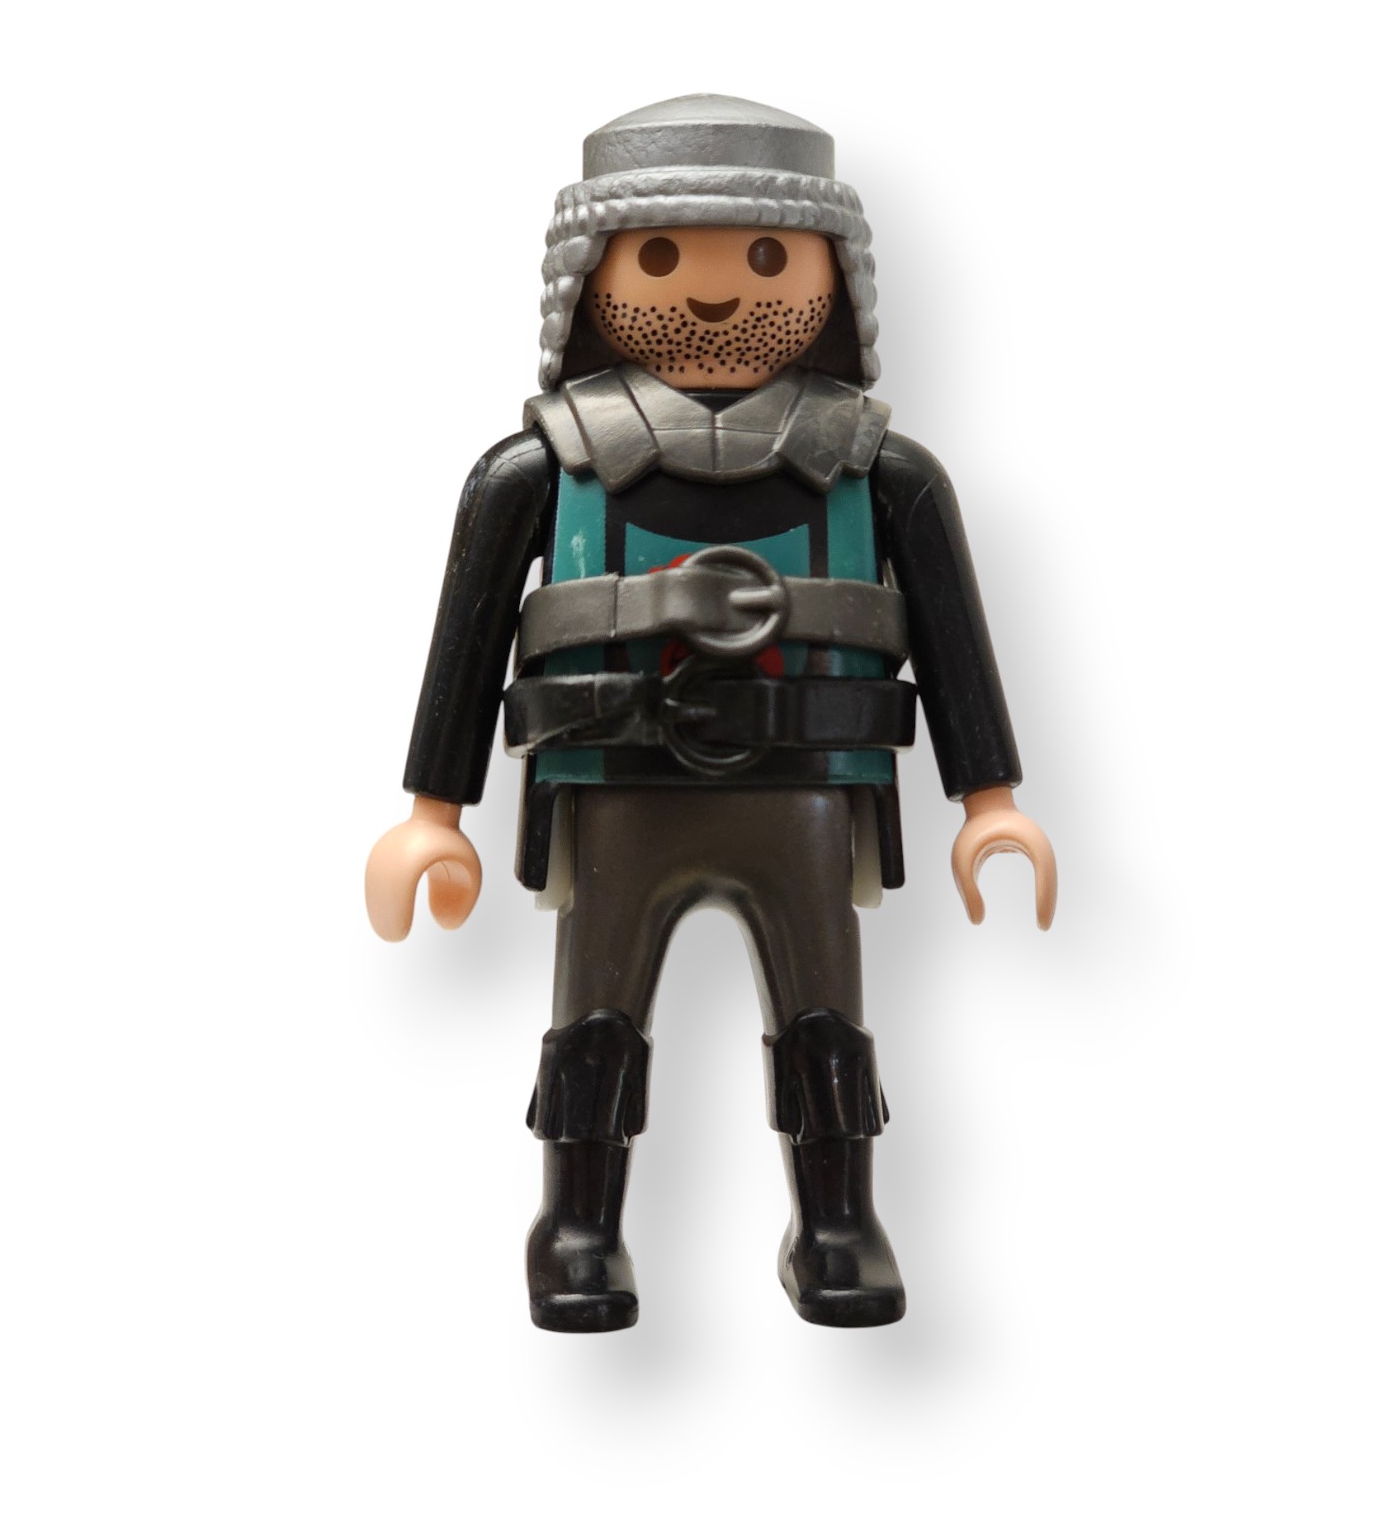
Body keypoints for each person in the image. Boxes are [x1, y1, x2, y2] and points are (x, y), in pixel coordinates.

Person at [365, 94, 1056, 1333]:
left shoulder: (880, 473)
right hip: (617, 791)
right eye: (662, 257)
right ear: (592, 278)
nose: (718, 292)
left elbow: (953, 632)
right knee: (593, 1021)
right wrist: (432, 812)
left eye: (769, 257)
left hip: (804, 791)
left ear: (832, 280)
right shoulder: (540, 472)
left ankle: (836, 1221)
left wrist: (989, 798)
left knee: (826, 1019)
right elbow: (464, 641)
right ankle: (577, 1225)